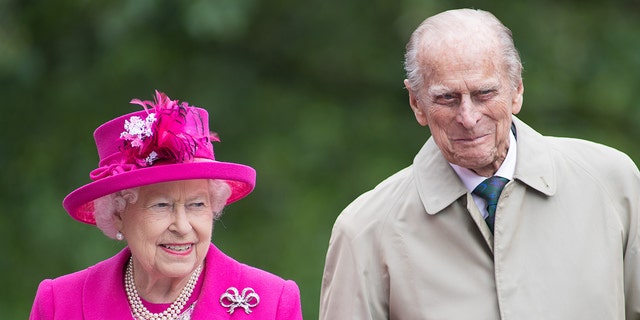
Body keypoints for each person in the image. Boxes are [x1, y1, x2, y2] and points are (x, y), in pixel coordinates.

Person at [320, 8, 640, 319]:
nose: (469, 118)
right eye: (447, 98)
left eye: (484, 93)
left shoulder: (614, 185)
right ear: (416, 103)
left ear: (517, 90)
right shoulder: (365, 232)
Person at [30, 90, 303, 319]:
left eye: (197, 205)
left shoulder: (272, 303)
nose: (183, 227)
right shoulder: (59, 304)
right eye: (161, 206)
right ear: (118, 214)